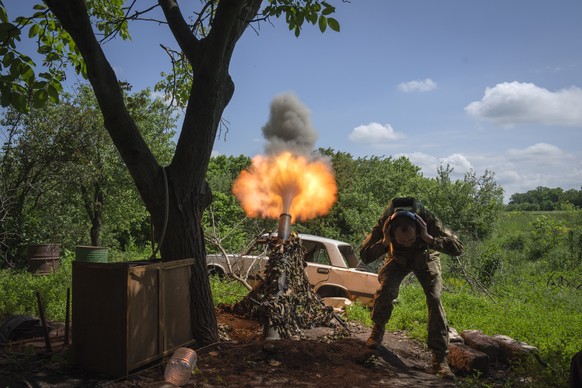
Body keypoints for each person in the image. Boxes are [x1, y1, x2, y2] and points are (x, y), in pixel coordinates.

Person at [360, 197, 463, 379]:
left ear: (419, 228)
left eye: (410, 240)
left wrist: (428, 238)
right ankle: (377, 332)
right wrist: (385, 242)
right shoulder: (385, 222)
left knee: (435, 298)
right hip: (396, 258)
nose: (407, 244)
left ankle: (439, 359)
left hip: (425, 257)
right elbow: (365, 254)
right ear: (392, 232)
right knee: (386, 290)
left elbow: (458, 247)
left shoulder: (428, 220)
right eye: (403, 241)